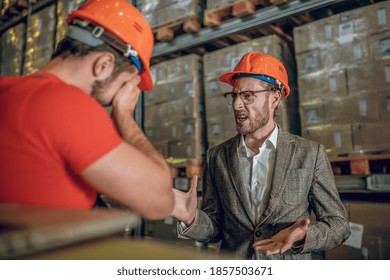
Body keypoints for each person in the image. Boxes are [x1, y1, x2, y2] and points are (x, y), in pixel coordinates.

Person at [0, 0, 174, 220]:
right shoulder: (67, 105)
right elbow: (159, 202)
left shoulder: (8, 90)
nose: (120, 95)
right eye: (126, 82)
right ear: (103, 65)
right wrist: (123, 115)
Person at [171, 52, 351, 259]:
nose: (237, 105)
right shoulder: (217, 157)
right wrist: (191, 218)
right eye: (234, 96)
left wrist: (305, 235)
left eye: (247, 96)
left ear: (274, 98)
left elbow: (339, 225)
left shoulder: (310, 153)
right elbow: (216, 228)